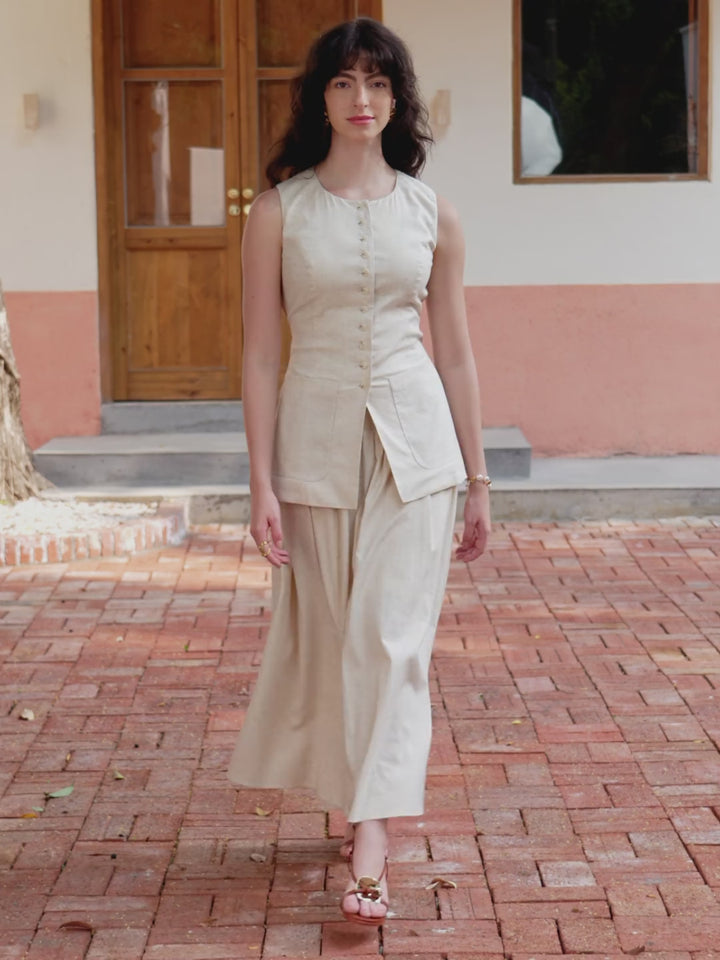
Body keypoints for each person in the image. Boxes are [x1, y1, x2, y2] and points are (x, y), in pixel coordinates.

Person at [228, 17, 491, 926]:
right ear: (320, 99)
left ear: (397, 100)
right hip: (315, 449)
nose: (361, 99)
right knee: (338, 641)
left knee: (390, 641)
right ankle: (356, 800)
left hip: (421, 455)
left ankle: (372, 841)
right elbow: (260, 356)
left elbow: (455, 353)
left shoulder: (433, 213)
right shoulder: (279, 213)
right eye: (343, 82)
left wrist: (480, 479)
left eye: (378, 82)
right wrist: (259, 482)